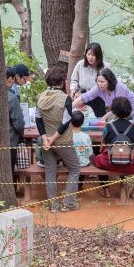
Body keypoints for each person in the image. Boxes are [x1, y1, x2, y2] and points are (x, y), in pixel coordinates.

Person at [36, 65, 81, 212]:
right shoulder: (65, 99)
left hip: (46, 142)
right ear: (62, 82)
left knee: (50, 171)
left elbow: (38, 120)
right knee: (74, 169)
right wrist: (53, 139)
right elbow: (65, 122)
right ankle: (68, 203)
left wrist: (45, 139)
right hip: (63, 141)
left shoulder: (41, 96)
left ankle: (53, 205)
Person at [93, 96, 134, 198]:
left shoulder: (108, 126)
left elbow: (102, 146)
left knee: (97, 159)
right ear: (129, 111)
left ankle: (106, 189)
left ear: (114, 111)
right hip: (131, 163)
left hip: (109, 163)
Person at [70, 43, 112, 118]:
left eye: (93, 55)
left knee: (99, 120)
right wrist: (73, 89)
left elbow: (110, 85)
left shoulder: (106, 66)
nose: (90, 57)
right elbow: (74, 80)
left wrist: (108, 104)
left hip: (99, 98)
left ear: (98, 56)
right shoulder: (80, 64)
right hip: (82, 96)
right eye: (88, 54)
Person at [6, 68, 26, 174]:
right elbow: (18, 123)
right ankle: (11, 190)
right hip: (10, 140)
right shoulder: (12, 98)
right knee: (10, 170)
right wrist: (21, 134)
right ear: (10, 78)